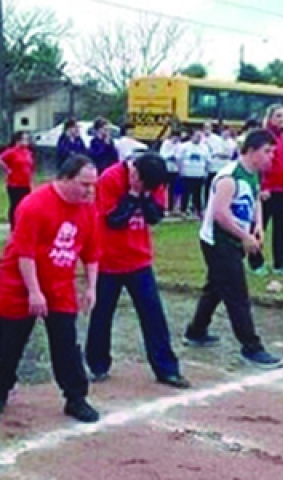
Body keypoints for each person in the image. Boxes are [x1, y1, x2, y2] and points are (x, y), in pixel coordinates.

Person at [0, 155, 101, 423]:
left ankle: (75, 397)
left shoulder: (88, 209)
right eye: (84, 185)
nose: (90, 191)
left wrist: (92, 286)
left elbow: (92, 252)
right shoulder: (34, 205)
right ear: (65, 178)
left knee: (66, 343)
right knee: (11, 342)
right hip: (19, 283)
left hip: (59, 283)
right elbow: (24, 253)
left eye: (93, 185)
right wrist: (34, 292)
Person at [85, 152, 190, 388]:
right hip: (108, 261)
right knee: (102, 314)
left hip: (139, 260)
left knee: (153, 315)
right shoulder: (110, 178)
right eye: (144, 183)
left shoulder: (154, 179)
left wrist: (143, 194)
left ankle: (166, 369)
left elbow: (155, 217)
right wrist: (133, 194)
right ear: (134, 173)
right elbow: (114, 220)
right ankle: (97, 364)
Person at [183, 128, 283, 370]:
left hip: (236, 238)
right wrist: (245, 236)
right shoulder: (229, 177)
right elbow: (220, 214)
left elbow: (256, 199)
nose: (271, 157)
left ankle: (196, 330)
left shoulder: (253, 174)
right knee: (236, 294)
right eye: (267, 151)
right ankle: (251, 346)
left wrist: (257, 225)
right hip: (219, 242)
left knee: (216, 287)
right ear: (251, 150)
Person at [248, 104, 283, 276]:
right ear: (270, 117)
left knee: (280, 226)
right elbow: (258, 164)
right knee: (260, 225)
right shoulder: (264, 136)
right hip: (268, 188)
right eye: (278, 116)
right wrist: (262, 186)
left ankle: (280, 262)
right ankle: (255, 261)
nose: (282, 120)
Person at [0, 131, 34, 231]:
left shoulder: (28, 152)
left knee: (26, 204)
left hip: (25, 182)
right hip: (14, 183)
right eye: (24, 139)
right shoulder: (12, 151)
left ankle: (23, 224)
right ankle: (13, 226)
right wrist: (7, 169)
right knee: (15, 204)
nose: (26, 142)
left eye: (27, 139)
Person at [178, 129, 210, 219]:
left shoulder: (204, 147)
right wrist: (181, 171)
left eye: (200, 137)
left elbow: (208, 161)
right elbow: (179, 159)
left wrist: (206, 172)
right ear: (192, 136)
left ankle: (198, 211)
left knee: (198, 194)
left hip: (199, 174)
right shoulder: (184, 146)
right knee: (186, 193)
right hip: (187, 173)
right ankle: (183, 210)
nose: (198, 138)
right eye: (196, 136)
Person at [159, 130, 183, 215]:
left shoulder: (180, 146)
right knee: (163, 188)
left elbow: (179, 157)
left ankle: (172, 208)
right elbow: (163, 155)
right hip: (166, 169)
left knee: (173, 190)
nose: (176, 139)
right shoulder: (166, 143)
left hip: (175, 170)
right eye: (174, 137)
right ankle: (162, 206)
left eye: (177, 137)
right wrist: (170, 156)